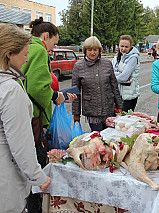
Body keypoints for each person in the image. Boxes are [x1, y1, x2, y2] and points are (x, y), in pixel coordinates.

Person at [21, 17, 76, 212]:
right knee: (37, 166)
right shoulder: (39, 50)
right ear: (46, 37)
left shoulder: (29, 46)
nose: (53, 48)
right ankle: (35, 208)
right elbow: (37, 87)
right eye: (54, 43)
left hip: (25, 115)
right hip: (34, 117)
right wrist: (55, 96)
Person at [0, 23, 51, 213]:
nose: (27, 59)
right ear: (9, 55)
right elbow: (21, 143)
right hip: (6, 179)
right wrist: (39, 177)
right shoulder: (11, 90)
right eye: (24, 54)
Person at [72, 36, 123, 131]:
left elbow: (114, 86)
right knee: (98, 138)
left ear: (99, 50)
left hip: (108, 108)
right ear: (85, 51)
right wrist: (76, 113)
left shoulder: (107, 64)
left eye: (95, 50)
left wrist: (120, 107)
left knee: (110, 137)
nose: (92, 53)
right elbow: (75, 92)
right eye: (89, 50)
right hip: (91, 110)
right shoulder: (78, 66)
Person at [112, 35, 140, 112]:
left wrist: (112, 78)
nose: (123, 49)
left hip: (128, 95)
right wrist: (118, 74)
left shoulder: (133, 58)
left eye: (126, 47)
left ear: (130, 46)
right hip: (117, 94)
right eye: (122, 46)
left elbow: (124, 77)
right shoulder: (116, 57)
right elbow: (110, 72)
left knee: (125, 120)